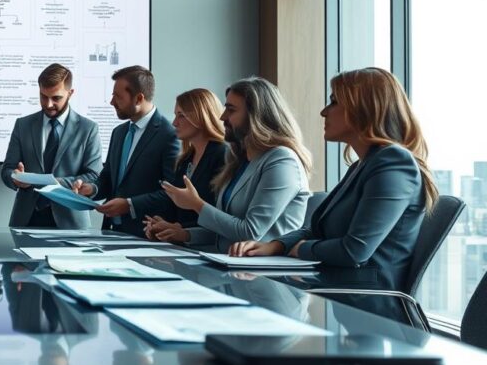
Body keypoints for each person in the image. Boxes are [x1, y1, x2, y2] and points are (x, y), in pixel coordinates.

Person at [229, 68, 438, 289]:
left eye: (333, 102)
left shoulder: (393, 164)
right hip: (337, 291)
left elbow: (354, 251)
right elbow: (317, 230)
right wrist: (275, 246)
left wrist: (301, 249)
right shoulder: (362, 165)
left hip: (367, 304)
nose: (323, 112)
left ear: (363, 108)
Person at [162, 76, 311, 252]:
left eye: (231, 110)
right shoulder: (239, 160)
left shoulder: (282, 161)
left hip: (267, 271)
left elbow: (250, 232)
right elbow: (225, 230)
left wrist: (197, 204)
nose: (222, 116)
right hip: (231, 264)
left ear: (256, 115)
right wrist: (185, 234)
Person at [71, 65, 179, 237]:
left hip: (147, 237)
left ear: (138, 98)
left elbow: (172, 192)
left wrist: (130, 204)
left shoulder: (169, 136)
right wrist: (91, 189)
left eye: (117, 97)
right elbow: (108, 178)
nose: (112, 101)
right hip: (112, 232)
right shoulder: (119, 132)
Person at [1, 63, 102, 229]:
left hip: (71, 221)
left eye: (56, 98)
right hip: (27, 219)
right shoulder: (23, 125)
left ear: (70, 93)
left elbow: (94, 175)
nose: (48, 104)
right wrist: (15, 177)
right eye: (43, 96)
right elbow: (6, 170)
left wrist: (55, 182)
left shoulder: (88, 129)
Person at [143, 88, 227, 243]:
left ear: (201, 116)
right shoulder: (185, 159)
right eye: (175, 115)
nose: (174, 123)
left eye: (181, 116)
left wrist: (180, 229)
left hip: (211, 247)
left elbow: (220, 214)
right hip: (185, 248)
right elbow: (177, 208)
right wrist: (162, 224)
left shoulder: (223, 155)